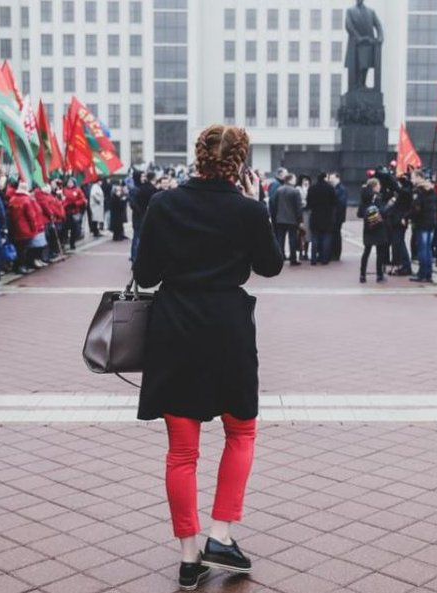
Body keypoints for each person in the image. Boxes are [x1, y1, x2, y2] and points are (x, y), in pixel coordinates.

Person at [134, 124, 283, 591]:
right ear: (239, 162)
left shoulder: (164, 204)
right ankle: (221, 533)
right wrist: (257, 205)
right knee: (241, 430)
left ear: (197, 156)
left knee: (182, 451)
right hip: (227, 328)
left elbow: (145, 273)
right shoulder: (247, 209)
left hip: (175, 325)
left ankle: (188, 557)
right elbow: (270, 266)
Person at [357, 177, 389, 282]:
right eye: (378, 185)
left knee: (366, 251)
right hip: (379, 226)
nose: (380, 187)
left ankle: (362, 275)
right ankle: (379, 275)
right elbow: (383, 212)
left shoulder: (364, 197)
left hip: (368, 227)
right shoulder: (377, 197)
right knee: (380, 252)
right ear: (375, 186)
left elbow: (359, 213)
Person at [409, 172, 437, 282]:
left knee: (422, 249)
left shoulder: (418, 191)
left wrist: (408, 217)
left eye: (413, 177)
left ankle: (422, 273)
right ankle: (428, 273)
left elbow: (416, 208)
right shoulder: (431, 190)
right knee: (428, 249)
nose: (412, 180)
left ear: (419, 178)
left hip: (422, 222)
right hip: (431, 221)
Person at [273, 174, 303, 266]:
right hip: (292, 219)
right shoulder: (295, 191)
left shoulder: (279, 190)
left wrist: (275, 216)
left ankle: (280, 258)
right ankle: (293, 258)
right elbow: (298, 207)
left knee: (280, 239)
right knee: (292, 239)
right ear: (290, 180)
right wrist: (300, 219)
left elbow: (274, 204)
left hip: (280, 219)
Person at [330, 173, 348, 261]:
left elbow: (341, 203)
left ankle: (336, 254)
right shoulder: (338, 189)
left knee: (336, 235)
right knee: (335, 235)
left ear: (337, 178)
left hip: (337, 216)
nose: (330, 180)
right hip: (337, 215)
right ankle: (334, 253)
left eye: (332, 178)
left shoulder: (340, 189)